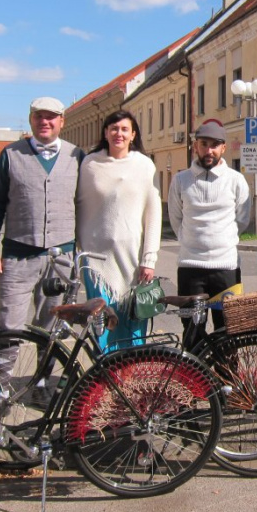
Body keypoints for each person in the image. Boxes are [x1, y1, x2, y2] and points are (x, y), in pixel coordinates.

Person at [0, 96, 83, 384]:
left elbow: (86, 205)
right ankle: (1, 384)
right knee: (9, 322)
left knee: (50, 324)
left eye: (52, 117)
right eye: (39, 116)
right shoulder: (12, 155)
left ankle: (41, 381)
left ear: (62, 122)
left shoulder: (77, 156)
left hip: (60, 258)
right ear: (31, 119)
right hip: (17, 255)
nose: (45, 122)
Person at [76, 110, 162, 352]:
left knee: (132, 320)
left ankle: (131, 376)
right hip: (96, 262)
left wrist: (149, 258)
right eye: (113, 128)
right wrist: (79, 247)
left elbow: (154, 214)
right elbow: (79, 206)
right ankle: (104, 376)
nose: (119, 133)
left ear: (133, 134)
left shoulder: (145, 165)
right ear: (105, 132)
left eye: (124, 129)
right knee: (102, 321)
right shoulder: (90, 164)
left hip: (133, 259)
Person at [168, 121, 251, 350]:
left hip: (226, 268)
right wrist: (189, 241)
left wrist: (221, 240)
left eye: (215, 145)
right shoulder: (180, 180)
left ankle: (227, 382)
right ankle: (196, 384)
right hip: (190, 267)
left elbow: (242, 219)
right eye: (204, 144)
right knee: (192, 331)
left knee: (228, 330)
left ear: (223, 148)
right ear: (196, 146)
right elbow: (176, 219)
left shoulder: (236, 180)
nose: (209, 150)